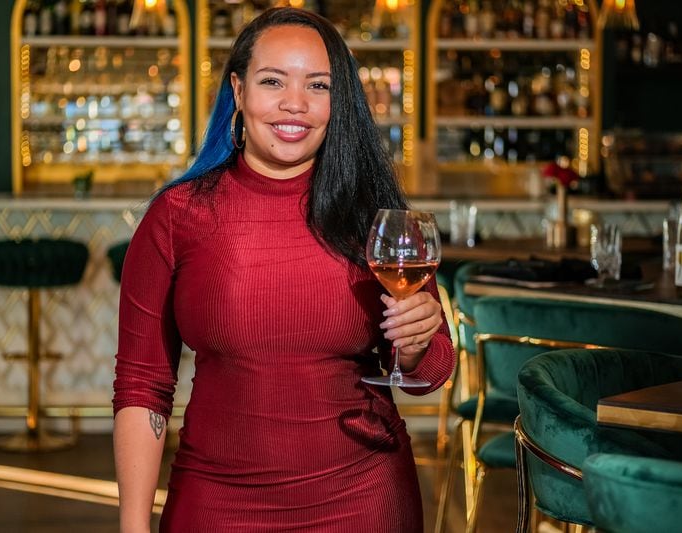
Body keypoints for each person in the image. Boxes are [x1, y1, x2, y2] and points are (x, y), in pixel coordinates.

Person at [113, 7, 455, 532]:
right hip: (216, 503)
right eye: (273, 81)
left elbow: (431, 371)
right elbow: (142, 387)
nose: (295, 103)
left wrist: (413, 344)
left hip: (364, 500)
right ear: (239, 89)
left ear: (337, 102)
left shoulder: (374, 215)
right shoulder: (178, 216)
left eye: (317, 86)